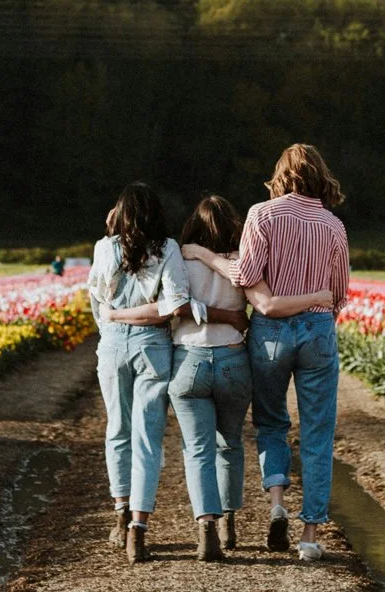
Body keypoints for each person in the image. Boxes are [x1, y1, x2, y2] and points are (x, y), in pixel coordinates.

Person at [127, 196, 331, 561]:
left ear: (193, 227)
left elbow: (169, 306)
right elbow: (259, 306)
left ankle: (206, 528)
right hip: (234, 361)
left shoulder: (182, 259)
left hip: (189, 360)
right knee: (230, 443)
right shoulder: (240, 262)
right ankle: (229, 522)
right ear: (233, 227)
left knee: (198, 449)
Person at [183, 144, 350, 562]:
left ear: (281, 175)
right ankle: (310, 534)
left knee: (272, 422)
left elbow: (244, 275)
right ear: (320, 176)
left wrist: (202, 254)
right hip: (316, 331)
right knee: (317, 433)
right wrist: (311, 303)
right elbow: (339, 294)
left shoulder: (262, 213)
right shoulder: (334, 226)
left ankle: (277, 504)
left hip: (270, 332)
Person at [87, 183, 190, 564]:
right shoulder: (168, 248)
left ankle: (119, 512)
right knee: (148, 437)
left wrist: (115, 318)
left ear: (119, 214)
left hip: (113, 344)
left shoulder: (104, 248)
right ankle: (138, 529)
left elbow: (98, 300)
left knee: (117, 429)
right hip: (153, 346)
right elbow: (174, 306)